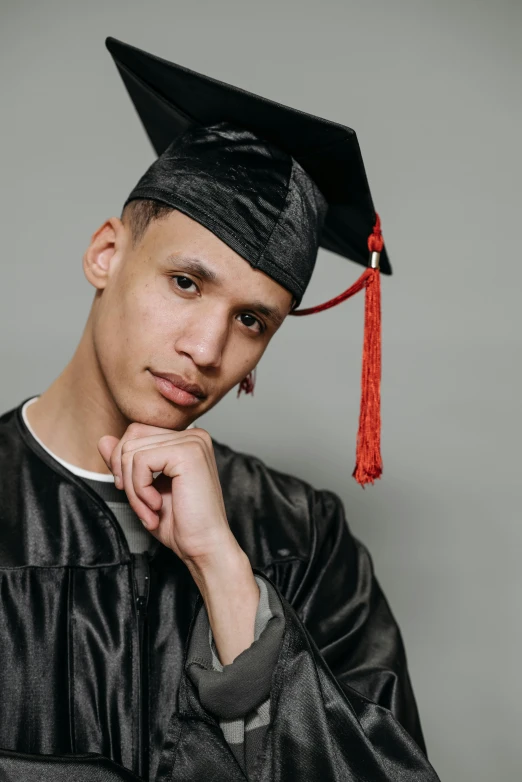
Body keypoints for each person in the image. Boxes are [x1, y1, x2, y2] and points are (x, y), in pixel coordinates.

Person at [0, 37, 440, 782]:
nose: (207, 348)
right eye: (184, 282)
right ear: (106, 254)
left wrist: (226, 573)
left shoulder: (303, 536)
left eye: (251, 321)